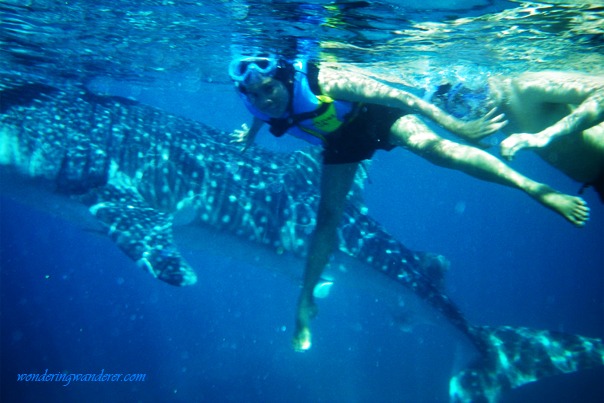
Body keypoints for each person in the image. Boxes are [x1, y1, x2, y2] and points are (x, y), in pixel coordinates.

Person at [227, 56, 590, 351]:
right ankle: (305, 300)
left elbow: (406, 99)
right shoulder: (259, 104)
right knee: (327, 218)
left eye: (269, 88)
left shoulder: (327, 81)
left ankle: (535, 188)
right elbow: (265, 114)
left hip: (375, 116)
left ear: (285, 77)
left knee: (438, 152)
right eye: (254, 95)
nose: (264, 99)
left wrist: (456, 125)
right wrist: (251, 132)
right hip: (340, 141)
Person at [432, 71, 604, 202]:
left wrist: (544, 135)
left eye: (471, 90)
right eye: (462, 106)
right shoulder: (492, 110)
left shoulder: (525, 85)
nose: (478, 105)